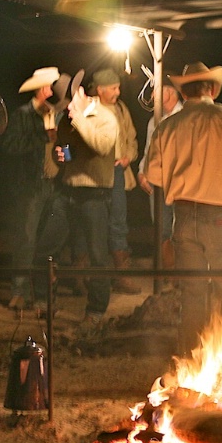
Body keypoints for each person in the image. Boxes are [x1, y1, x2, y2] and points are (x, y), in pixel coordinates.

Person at [144, 62, 222, 354]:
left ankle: (190, 361)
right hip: (221, 215)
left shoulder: (168, 126)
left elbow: (153, 174)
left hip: (183, 217)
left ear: (183, 92)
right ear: (211, 89)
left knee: (193, 295)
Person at [32, 77, 118, 330]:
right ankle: (46, 302)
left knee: (98, 256)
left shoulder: (106, 118)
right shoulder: (70, 121)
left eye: (70, 103)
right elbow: (69, 152)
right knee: (46, 247)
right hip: (68, 192)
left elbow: (101, 146)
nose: (67, 109)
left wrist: (79, 119)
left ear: (82, 93)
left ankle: (96, 312)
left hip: (94, 195)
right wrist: (62, 155)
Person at [0, 67, 66, 311]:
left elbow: (66, 147)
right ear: (41, 89)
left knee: (48, 242)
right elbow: (10, 145)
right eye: (50, 85)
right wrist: (42, 136)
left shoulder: (56, 114)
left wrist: (64, 155)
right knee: (26, 239)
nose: (53, 89)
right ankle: (19, 291)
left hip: (53, 184)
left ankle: (43, 294)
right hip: (30, 185)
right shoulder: (23, 115)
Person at [92, 68, 140, 294]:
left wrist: (128, 157)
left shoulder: (121, 109)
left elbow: (131, 137)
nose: (117, 92)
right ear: (100, 89)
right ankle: (89, 277)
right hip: (96, 174)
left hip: (118, 172)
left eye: (118, 87)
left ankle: (121, 275)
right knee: (94, 223)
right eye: (113, 88)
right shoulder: (91, 109)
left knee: (119, 221)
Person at [137, 81, 182, 269]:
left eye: (157, 90)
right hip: (158, 182)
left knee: (179, 229)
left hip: (179, 182)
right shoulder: (154, 121)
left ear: (170, 92)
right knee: (162, 229)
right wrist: (142, 172)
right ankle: (168, 274)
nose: (153, 95)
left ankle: (180, 276)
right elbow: (149, 151)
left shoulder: (184, 118)